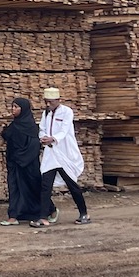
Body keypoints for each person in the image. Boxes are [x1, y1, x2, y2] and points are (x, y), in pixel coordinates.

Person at [29, 87, 90, 228]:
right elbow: (42, 128)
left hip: (64, 153)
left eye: (50, 102)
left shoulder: (66, 112)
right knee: (45, 186)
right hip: (51, 154)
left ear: (58, 100)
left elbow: (64, 130)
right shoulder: (46, 113)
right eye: (46, 102)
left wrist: (53, 139)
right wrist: (43, 138)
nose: (48, 105)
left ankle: (84, 213)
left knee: (72, 185)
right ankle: (43, 217)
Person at [0, 96, 43, 225]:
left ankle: (46, 211)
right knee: (14, 188)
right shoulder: (15, 125)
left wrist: (23, 158)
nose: (13, 109)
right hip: (15, 164)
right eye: (12, 107)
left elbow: (34, 145)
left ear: (23, 109)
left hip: (28, 164)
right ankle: (13, 216)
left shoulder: (31, 126)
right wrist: (2, 132)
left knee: (32, 187)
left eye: (16, 107)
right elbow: (10, 137)